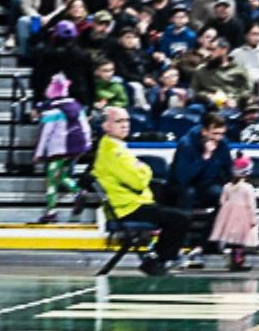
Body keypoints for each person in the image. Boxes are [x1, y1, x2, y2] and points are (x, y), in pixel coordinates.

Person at [91, 105, 189, 277]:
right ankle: (158, 259)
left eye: (127, 120)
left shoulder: (116, 147)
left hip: (133, 204)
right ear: (106, 126)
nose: (125, 125)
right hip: (127, 209)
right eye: (118, 121)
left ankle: (156, 258)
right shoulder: (113, 152)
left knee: (176, 193)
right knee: (180, 219)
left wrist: (141, 169)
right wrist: (144, 169)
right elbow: (138, 181)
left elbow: (139, 174)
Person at [32, 72, 89, 225]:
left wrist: (38, 152)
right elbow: (85, 126)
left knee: (51, 180)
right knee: (61, 176)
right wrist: (87, 144)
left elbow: (45, 133)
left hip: (57, 150)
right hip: (74, 148)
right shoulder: (76, 106)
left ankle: (52, 212)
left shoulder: (52, 110)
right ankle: (77, 192)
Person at [208, 153, 259, 271]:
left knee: (232, 239)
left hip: (228, 215)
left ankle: (233, 261)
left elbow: (222, 201)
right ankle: (238, 262)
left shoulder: (227, 186)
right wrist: (253, 220)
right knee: (240, 240)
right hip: (243, 216)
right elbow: (251, 205)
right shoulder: (248, 188)